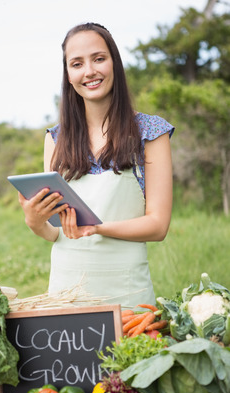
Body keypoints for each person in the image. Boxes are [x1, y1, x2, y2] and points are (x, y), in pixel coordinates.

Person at [18, 22, 174, 309]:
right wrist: (35, 221)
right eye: (77, 64)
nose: (89, 71)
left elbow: (158, 226)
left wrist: (98, 228)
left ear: (114, 62)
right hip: (66, 296)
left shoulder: (151, 132)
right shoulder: (56, 138)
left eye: (99, 58)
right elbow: (58, 232)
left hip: (128, 299)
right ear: (68, 74)